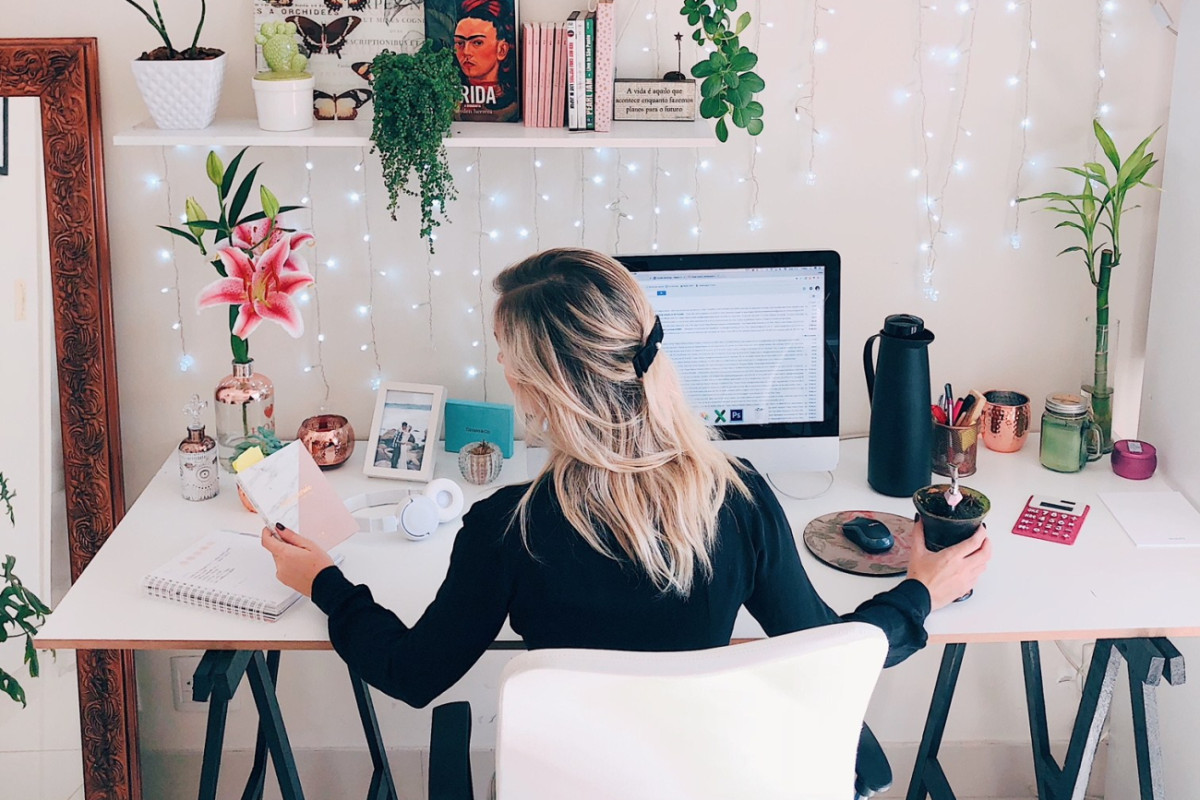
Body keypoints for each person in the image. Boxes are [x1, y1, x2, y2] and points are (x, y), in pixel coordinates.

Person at [262, 248, 991, 709]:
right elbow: (834, 655)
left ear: (532, 388)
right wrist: (921, 589)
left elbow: (411, 674)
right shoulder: (737, 500)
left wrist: (326, 582)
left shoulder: (508, 527)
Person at [451, 0, 519, 122]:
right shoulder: (450, 101)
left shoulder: (512, 107)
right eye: (460, 43)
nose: (466, 51)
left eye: (477, 42)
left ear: (502, 50)